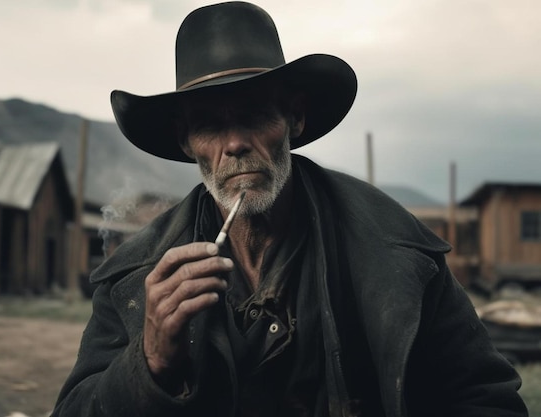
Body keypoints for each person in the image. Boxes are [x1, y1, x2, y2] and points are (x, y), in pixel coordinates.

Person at [52, 2, 528, 416]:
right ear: (186, 141)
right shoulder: (138, 277)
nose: (235, 143)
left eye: (254, 115)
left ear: (293, 118)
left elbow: (484, 397)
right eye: (210, 126)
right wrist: (150, 362)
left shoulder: (394, 249)